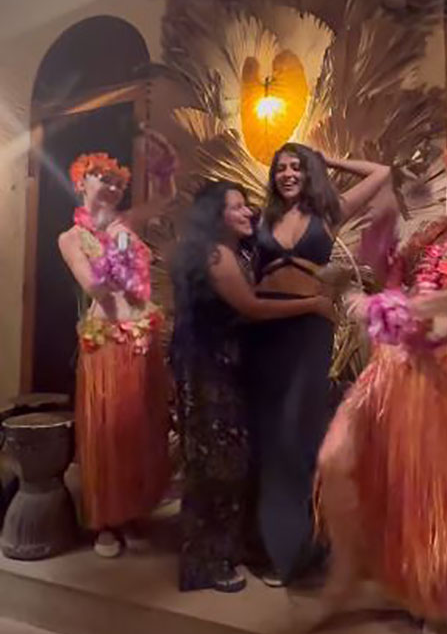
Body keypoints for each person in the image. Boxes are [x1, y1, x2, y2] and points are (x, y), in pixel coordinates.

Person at [314, 128, 447, 634]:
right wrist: (378, 240)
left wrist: (391, 307)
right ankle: (351, 568)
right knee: (335, 459)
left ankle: (434, 597)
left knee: (426, 491)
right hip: (390, 364)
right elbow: (389, 271)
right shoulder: (433, 232)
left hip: (439, 373)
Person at [170, 180, 335, 593]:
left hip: (219, 366)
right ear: (216, 215)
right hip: (209, 370)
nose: (249, 212)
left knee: (228, 462)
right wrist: (313, 304)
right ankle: (204, 563)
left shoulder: (230, 251)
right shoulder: (216, 255)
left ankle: (228, 548)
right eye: (237, 207)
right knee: (216, 466)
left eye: (248, 205)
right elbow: (252, 307)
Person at [246, 143, 391, 587]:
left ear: (308, 173)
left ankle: (311, 547)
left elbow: (381, 172)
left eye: (296, 167)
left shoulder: (329, 213)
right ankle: (275, 548)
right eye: (281, 168)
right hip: (265, 328)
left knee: (302, 432)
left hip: (310, 330)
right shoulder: (260, 219)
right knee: (271, 436)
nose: (288, 174)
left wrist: (327, 161)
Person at [59, 136, 176, 558]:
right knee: (108, 432)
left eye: (116, 182)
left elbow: (165, 199)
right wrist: (117, 253)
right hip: (107, 338)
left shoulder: (127, 221)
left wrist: (164, 166)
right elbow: (93, 285)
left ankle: (134, 512)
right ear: (80, 183)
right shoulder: (71, 237)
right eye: (101, 179)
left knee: (142, 428)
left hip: (142, 335)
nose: (110, 187)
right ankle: (106, 522)